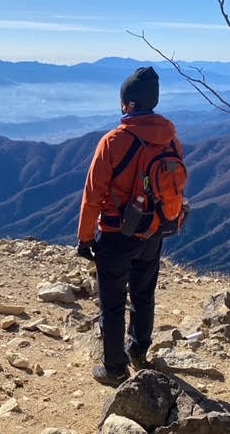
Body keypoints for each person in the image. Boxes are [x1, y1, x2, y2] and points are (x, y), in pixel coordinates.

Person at [76, 67, 184, 386]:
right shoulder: (171, 141)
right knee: (143, 294)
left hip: (115, 234)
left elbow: (93, 194)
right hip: (154, 231)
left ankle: (114, 368)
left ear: (128, 104)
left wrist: (84, 239)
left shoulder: (113, 142)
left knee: (112, 304)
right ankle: (138, 351)